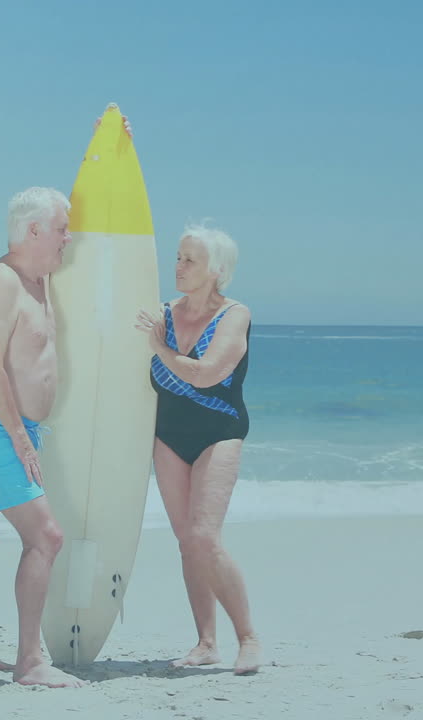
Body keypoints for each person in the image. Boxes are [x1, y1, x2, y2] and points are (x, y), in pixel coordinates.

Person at [0, 186, 86, 689]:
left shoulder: (39, 279)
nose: (69, 237)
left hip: (10, 426)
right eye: (62, 229)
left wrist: (113, 139)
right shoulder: (1, 279)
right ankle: (29, 663)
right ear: (33, 231)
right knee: (46, 536)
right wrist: (20, 441)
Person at [133, 221, 262, 675]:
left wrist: (159, 348)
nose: (180, 266)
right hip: (168, 435)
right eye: (178, 256)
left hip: (218, 432)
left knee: (206, 537)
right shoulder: (162, 312)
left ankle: (247, 637)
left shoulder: (235, 315)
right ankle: (206, 642)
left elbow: (205, 374)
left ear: (216, 270)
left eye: (191, 260)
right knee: (188, 543)